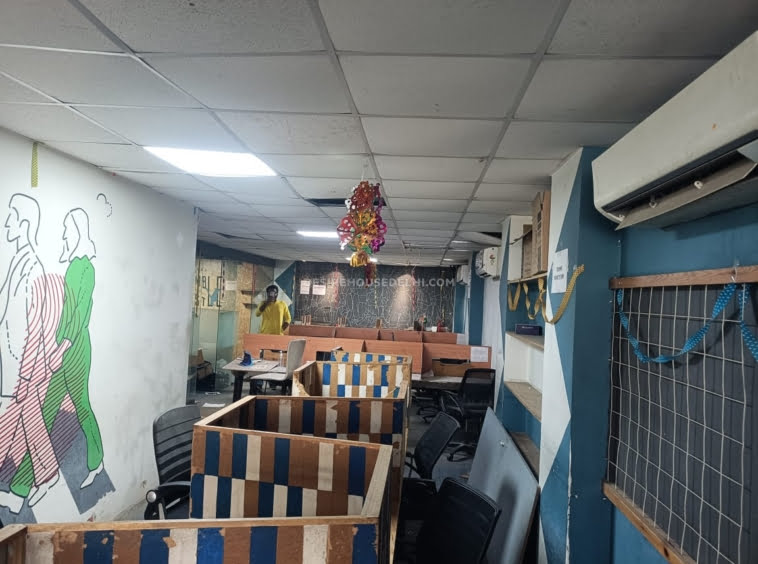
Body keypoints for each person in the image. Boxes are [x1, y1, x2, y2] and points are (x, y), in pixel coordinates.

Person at [10, 208, 104, 499]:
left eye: (67, 229)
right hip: (62, 347)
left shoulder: (86, 268)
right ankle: (23, 483)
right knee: (47, 408)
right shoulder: (73, 265)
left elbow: (80, 314)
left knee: (82, 406)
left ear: (77, 231)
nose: (64, 234)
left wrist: (62, 348)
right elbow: (64, 313)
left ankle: (96, 461)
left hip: (76, 350)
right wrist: (54, 345)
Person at [0, 194, 70, 513]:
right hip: (17, 365)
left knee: (24, 421)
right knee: (25, 422)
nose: (7, 224)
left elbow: (36, 328)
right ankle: (45, 475)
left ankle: (46, 475)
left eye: (12, 217)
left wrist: (27, 375)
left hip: (28, 366)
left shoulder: (33, 270)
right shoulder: (19, 263)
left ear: (25, 223)